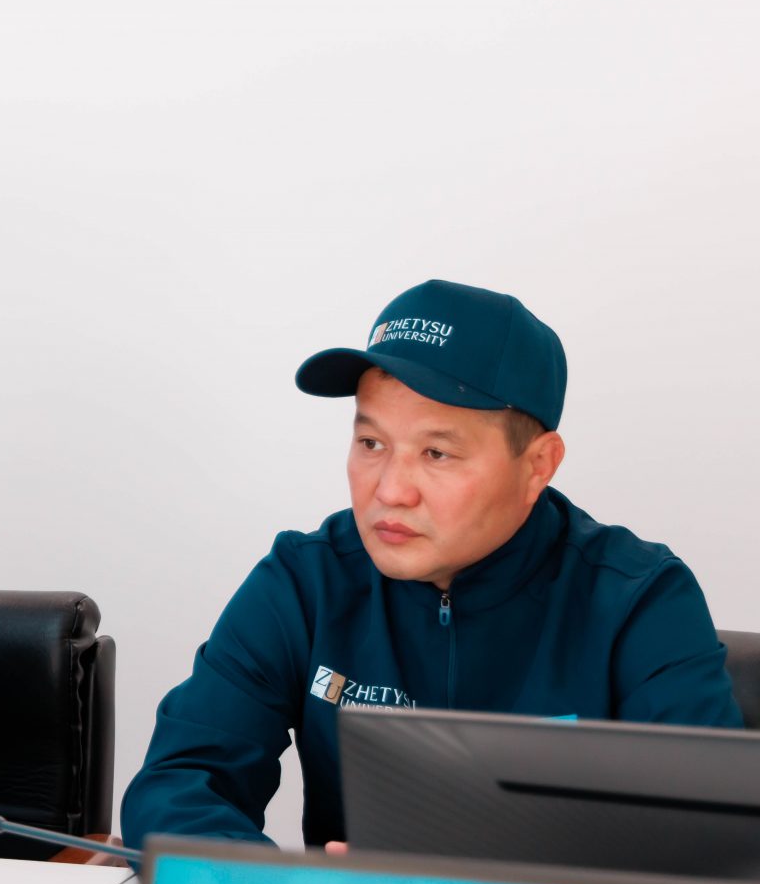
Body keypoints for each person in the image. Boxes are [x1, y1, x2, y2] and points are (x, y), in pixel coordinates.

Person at [121, 279, 740, 849]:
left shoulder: (639, 601)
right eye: (371, 443)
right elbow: (179, 786)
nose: (390, 490)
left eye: (437, 453)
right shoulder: (307, 581)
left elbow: (711, 840)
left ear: (538, 466)